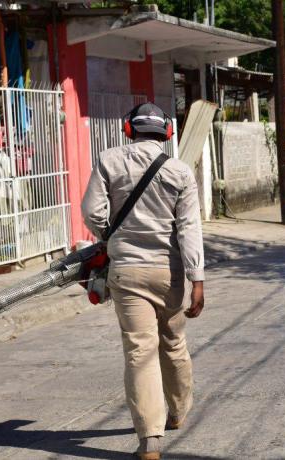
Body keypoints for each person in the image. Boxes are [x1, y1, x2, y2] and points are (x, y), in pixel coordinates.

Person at [82, 102, 204, 460]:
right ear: (167, 132)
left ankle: (150, 440)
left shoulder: (108, 160)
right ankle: (178, 411)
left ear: (128, 129)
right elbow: (189, 230)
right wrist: (198, 279)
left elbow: (92, 212)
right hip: (169, 273)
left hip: (128, 271)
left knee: (140, 351)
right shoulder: (180, 172)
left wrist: (110, 235)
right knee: (173, 341)